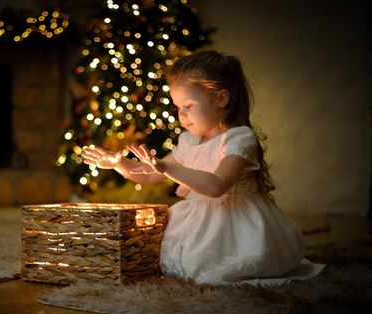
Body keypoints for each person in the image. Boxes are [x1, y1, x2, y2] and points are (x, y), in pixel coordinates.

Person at [82, 50, 324, 285]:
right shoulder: (189, 141)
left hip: (236, 222)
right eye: (177, 107)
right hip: (196, 218)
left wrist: (165, 167)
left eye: (188, 105)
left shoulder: (239, 138)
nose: (181, 114)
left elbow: (216, 186)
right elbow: (149, 174)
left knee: (218, 270)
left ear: (221, 98)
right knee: (181, 266)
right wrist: (119, 163)